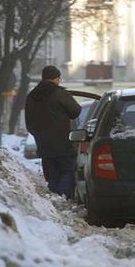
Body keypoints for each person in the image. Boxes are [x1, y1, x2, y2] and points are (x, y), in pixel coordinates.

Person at [24, 66, 81, 199]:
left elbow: (29, 123)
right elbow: (76, 111)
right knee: (67, 172)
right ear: (56, 78)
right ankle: (62, 198)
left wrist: (39, 135)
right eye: (58, 78)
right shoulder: (60, 94)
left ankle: (53, 201)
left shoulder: (32, 96)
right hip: (63, 142)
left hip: (43, 144)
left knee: (53, 175)